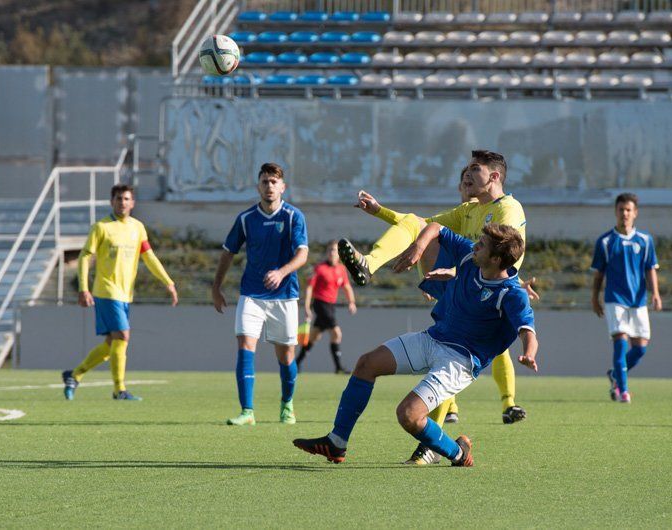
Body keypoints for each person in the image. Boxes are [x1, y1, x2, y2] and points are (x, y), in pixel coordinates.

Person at [340, 151, 535, 463]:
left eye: (475, 169)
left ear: (495, 177)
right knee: (417, 225)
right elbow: (419, 225)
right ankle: (369, 264)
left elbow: (509, 257)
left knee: (458, 357)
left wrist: (458, 272)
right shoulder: (469, 209)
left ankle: (498, 407)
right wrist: (379, 212)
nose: (466, 175)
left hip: (486, 294)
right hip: (461, 286)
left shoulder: (508, 209)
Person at [293, 223, 539, 466]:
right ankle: (336, 442)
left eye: (482, 245)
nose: (475, 245)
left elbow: (528, 331)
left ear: (496, 260)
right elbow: (435, 227)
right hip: (432, 338)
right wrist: (418, 248)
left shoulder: (512, 294)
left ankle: (458, 453)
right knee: (366, 364)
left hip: (459, 361)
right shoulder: (469, 257)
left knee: (408, 415)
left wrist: (529, 353)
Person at [212, 163, 308, 426]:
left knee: (286, 356)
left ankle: (287, 404)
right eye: (265, 181)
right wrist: (216, 286)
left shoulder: (293, 217)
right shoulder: (246, 219)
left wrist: (282, 271)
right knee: (244, 346)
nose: (269, 186)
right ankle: (247, 411)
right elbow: (228, 252)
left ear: (282, 187)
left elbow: (303, 253)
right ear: (258, 186)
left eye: (274, 182)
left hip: (285, 295)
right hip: (252, 293)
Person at [61, 184, 178, 401]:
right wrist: (83, 288)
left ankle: (74, 375)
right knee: (123, 335)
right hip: (106, 291)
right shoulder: (101, 227)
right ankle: (119, 390)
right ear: (111, 202)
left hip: (125, 294)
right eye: (118, 198)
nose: (122, 202)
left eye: (126, 199)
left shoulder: (137, 228)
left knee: (111, 345)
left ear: (132, 203)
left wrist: (168, 282)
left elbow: (149, 257)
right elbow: (85, 257)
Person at [591, 193, 662, 404]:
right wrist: (595, 298)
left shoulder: (645, 240)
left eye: (628, 210)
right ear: (616, 211)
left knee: (640, 348)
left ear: (635, 213)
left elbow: (650, 269)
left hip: (638, 300)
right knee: (620, 344)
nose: (625, 213)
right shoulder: (605, 241)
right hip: (615, 299)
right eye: (621, 209)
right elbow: (599, 274)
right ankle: (623, 390)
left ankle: (615, 374)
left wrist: (655, 294)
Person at [297, 240, 357, 374]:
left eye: (334, 250)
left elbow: (346, 287)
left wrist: (351, 302)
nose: (331, 253)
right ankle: (338, 367)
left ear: (339, 253)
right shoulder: (320, 268)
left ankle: (296, 363)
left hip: (331, 306)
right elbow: (309, 288)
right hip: (320, 304)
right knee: (336, 333)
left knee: (314, 336)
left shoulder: (341, 269)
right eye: (329, 250)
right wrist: (307, 307)